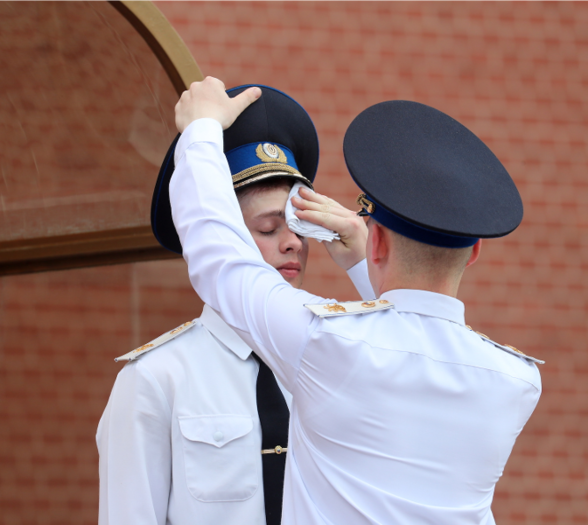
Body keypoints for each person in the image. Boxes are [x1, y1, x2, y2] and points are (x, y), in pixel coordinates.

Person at [167, 77, 543, 524]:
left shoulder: (328, 344)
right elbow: (413, 341)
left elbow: (221, 261)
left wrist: (202, 131)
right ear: (475, 253)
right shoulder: (516, 381)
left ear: (376, 240)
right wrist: (369, 265)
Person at [96, 85, 373, 525]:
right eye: (268, 228)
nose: (293, 244)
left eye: (301, 229)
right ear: (222, 240)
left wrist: (364, 263)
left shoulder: (332, 354)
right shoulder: (157, 378)